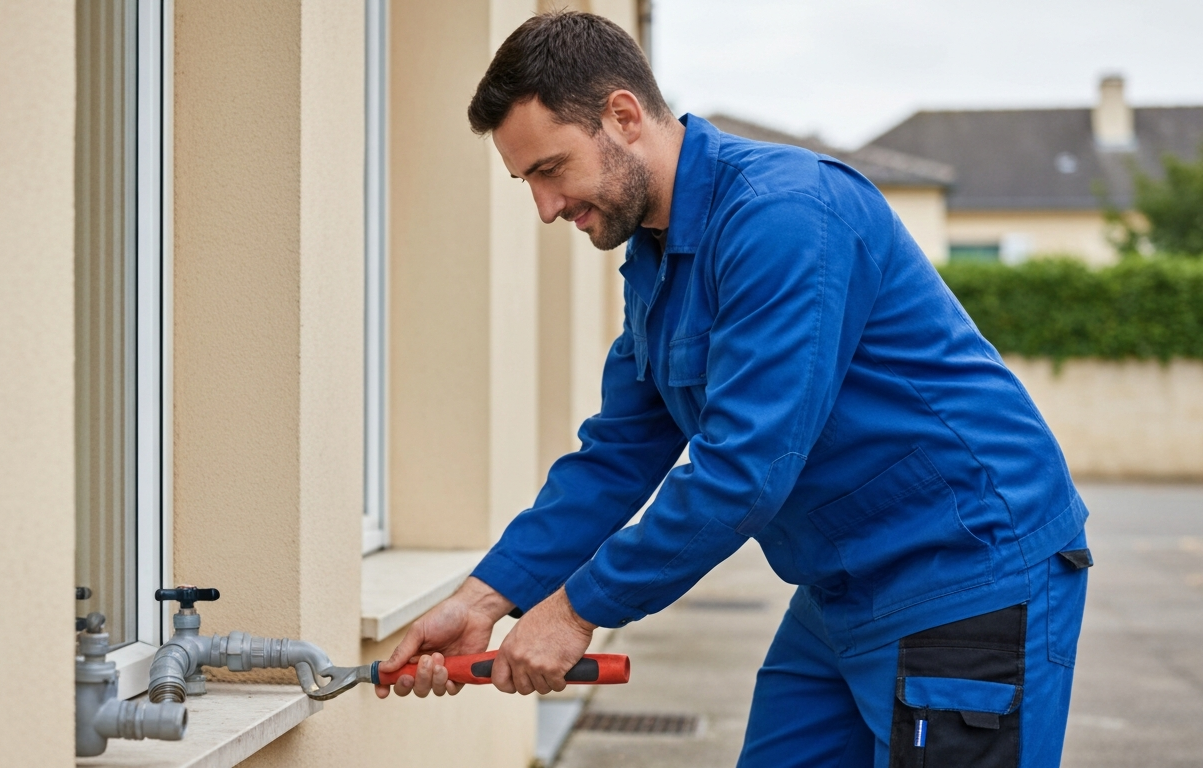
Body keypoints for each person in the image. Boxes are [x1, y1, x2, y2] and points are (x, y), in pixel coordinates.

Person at [375, 11, 1091, 768]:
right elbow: (617, 454)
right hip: (842, 586)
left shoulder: (786, 217)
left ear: (623, 116)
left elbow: (744, 467)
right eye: (528, 182)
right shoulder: (658, 258)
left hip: (966, 572)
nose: (546, 207)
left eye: (551, 169)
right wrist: (485, 596)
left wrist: (576, 609)